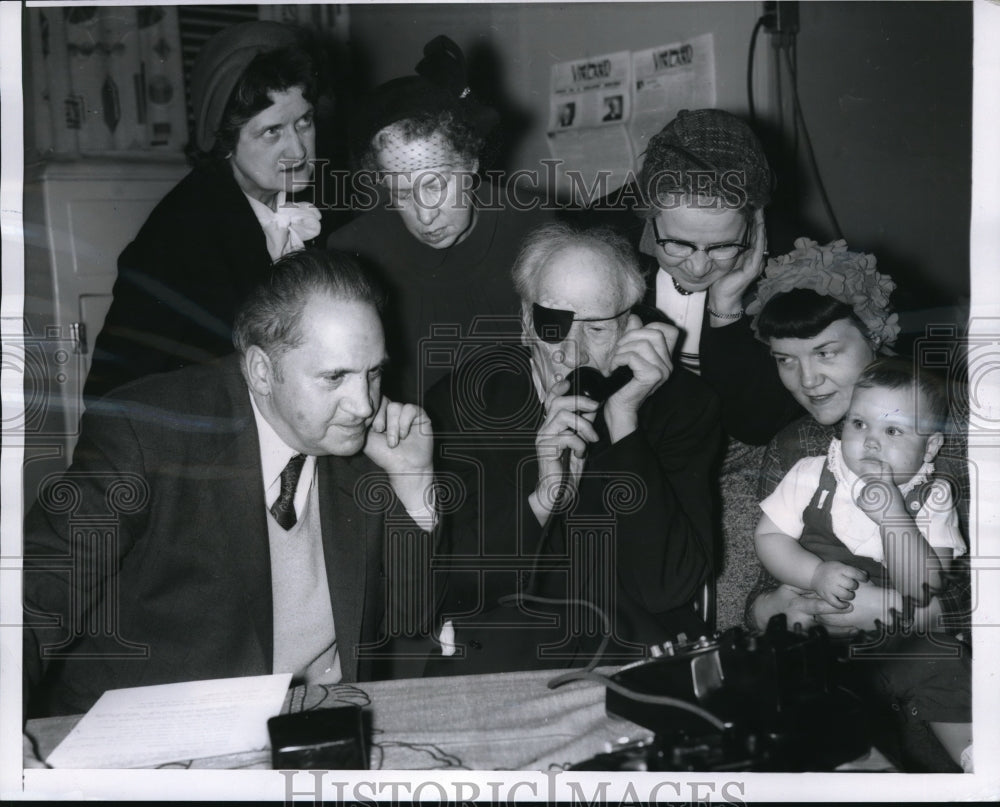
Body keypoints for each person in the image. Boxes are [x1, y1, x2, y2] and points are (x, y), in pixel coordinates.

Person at [23, 249, 437, 718]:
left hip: (319, 725)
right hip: (156, 733)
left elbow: (414, 616)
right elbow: (35, 595)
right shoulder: (148, 433)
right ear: (262, 371)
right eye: (335, 376)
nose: (363, 404)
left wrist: (412, 478)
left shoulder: (363, 444)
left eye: (374, 372)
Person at [423, 223, 721, 674]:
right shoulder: (462, 402)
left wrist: (625, 425)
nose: (571, 351)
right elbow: (454, 588)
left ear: (630, 327)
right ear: (526, 322)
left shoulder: (684, 406)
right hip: (507, 660)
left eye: (598, 328)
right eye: (552, 324)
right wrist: (542, 499)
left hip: (633, 652)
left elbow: (668, 587)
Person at [741, 239, 971, 771]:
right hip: (827, 657)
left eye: (826, 352)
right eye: (785, 360)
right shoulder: (794, 448)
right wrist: (773, 609)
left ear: (876, 338)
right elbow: (763, 572)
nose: (808, 381)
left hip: (940, 655)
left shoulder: (966, 424)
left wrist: (902, 612)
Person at [84, 21, 328, 401]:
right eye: (272, 132)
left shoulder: (317, 199)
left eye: (304, 122)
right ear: (225, 139)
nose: (298, 151)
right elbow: (110, 392)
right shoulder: (174, 240)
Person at [328, 35, 553, 404]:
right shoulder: (354, 252)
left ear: (471, 164)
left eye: (435, 185)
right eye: (401, 193)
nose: (424, 214)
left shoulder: (533, 224)